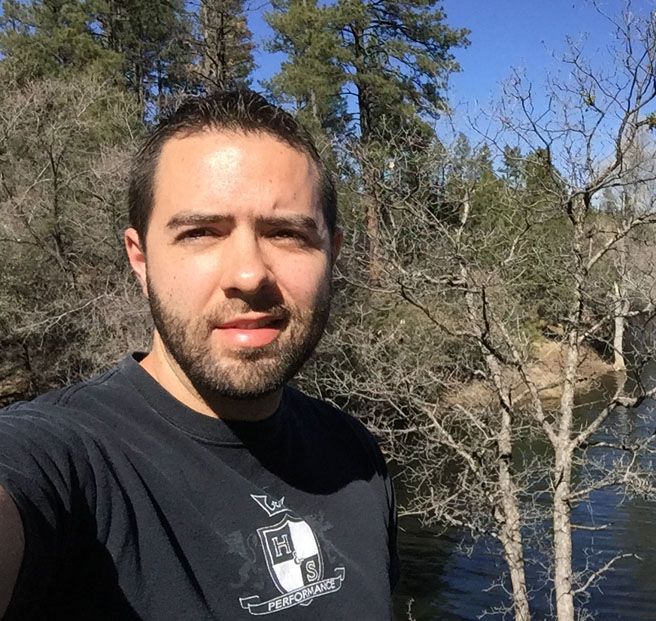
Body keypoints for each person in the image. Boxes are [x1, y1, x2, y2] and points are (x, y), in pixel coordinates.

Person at [0, 90, 398, 619]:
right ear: (140, 259)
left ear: (332, 254)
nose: (249, 275)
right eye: (201, 233)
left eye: (286, 233)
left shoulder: (354, 455)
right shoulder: (64, 460)